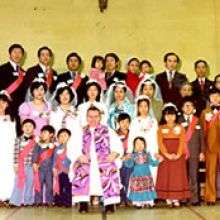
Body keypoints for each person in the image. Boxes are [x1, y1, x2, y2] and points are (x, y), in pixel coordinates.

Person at [71, 106, 123, 214]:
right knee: (82, 170)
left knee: (109, 169)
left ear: (100, 117)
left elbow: (118, 145)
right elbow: (72, 146)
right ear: (86, 117)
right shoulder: (80, 131)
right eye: (90, 117)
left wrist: (115, 153)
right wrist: (79, 155)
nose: (93, 119)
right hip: (86, 160)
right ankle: (83, 203)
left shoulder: (108, 130)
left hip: (104, 160)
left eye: (95, 117)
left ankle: (109, 203)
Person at [156, 103, 191, 207]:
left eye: (172, 114)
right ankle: (168, 198)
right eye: (167, 115)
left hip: (178, 156)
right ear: (164, 116)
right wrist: (166, 154)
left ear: (176, 115)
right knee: (167, 176)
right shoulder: (160, 128)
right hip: (165, 156)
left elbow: (182, 142)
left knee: (177, 177)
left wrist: (178, 154)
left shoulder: (180, 127)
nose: (170, 117)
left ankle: (176, 198)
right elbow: (160, 143)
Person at [178, 97, 205, 205]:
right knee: (183, 176)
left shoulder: (197, 120)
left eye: (190, 105)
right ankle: (183, 198)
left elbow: (202, 137)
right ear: (182, 108)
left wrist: (202, 151)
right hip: (182, 152)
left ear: (194, 108)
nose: (188, 107)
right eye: (186, 105)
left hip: (194, 152)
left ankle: (195, 198)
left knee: (194, 175)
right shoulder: (178, 121)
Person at [125, 137, 162, 208]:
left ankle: (149, 202)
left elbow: (152, 163)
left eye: (142, 143)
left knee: (147, 188)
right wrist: (126, 160)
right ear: (134, 146)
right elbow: (130, 165)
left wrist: (158, 161)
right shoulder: (132, 155)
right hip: (137, 175)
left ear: (144, 145)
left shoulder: (147, 154)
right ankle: (138, 202)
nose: (140, 145)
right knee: (138, 188)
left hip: (146, 175)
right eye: (137, 144)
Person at [128, 96, 158, 183]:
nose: (143, 108)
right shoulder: (134, 121)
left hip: (151, 151)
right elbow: (131, 138)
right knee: (139, 176)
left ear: (149, 107)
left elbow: (156, 137)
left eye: (146, 106)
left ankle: (150, 196)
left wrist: (156, 151)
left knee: (152, 174)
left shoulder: (153, 121)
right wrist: (130, 151)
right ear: (137, 107)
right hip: (138, 152)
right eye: (141, 106)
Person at [0, 44, 26, 134]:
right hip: (5, 108)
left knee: (17, 133)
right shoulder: (2, 69)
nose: (17, 54)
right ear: (9, 54)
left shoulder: (23, 72)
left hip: (19, 109)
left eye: (19, 52)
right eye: (14, 52)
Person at [10, 119, 37, 207]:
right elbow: (15, 152)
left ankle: (28, 202)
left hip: (31, 165)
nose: (28, 128)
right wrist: (15, 164)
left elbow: (37, 153)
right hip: (21, 165)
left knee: (30, 183)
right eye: (25, 126)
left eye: (30, 126)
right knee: (18, 183)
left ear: (34, 128)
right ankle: (15, 202)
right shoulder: (18, 139)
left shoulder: (36, 140)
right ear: (22, 128)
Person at [200, 88, 220, 205]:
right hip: (210, 147)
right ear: (209, 98)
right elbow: (202, 132)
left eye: (217, 96)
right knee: (210, 173)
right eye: (213, 96)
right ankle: (210, 197)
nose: (215, 98)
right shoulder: (204, 112)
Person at [32, 125, 56, 206]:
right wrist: (34, 163)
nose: (42, 134)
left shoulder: (53, 146)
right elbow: (35, 154)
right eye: (41, 132)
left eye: (45, 132)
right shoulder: (38, 145)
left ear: (51, 134)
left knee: (49, 186)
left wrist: (54, 167)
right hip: (40, 168)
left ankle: (49, 202)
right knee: (38, 185)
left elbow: (55, 158)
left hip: (49, 170)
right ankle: (38, 201)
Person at [0, 91, 16, 205]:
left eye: (3, 102)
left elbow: (15, 137)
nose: (1, 105)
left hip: (8, 150)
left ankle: (8, 197)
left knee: (8, 173)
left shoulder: (12, 119)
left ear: (7, 104)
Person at [53, 128, 72, 207]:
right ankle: (58, 201)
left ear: (69, 137)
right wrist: (53, 168)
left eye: (65, 136)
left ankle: (67, 202)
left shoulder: (71, 147)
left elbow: (72, 159)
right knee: (58, 186)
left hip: (67, 170)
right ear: (58, 138)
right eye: (60, 136)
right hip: (59, 170)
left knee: (67, 186)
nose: (63, 137)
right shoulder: (57, 148)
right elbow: (54, 159)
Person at [116, 113, 132, 205]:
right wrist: (119, 156)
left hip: (130, 157)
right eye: (122, 122)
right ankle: (121, 198)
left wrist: (128, 155)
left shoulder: (133, 133)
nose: (125, 124)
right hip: (118, 157)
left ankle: (127, 198)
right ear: (118, 123)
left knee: (128, 176)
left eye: (127, 122)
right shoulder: (115, 134)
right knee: (119, 178)